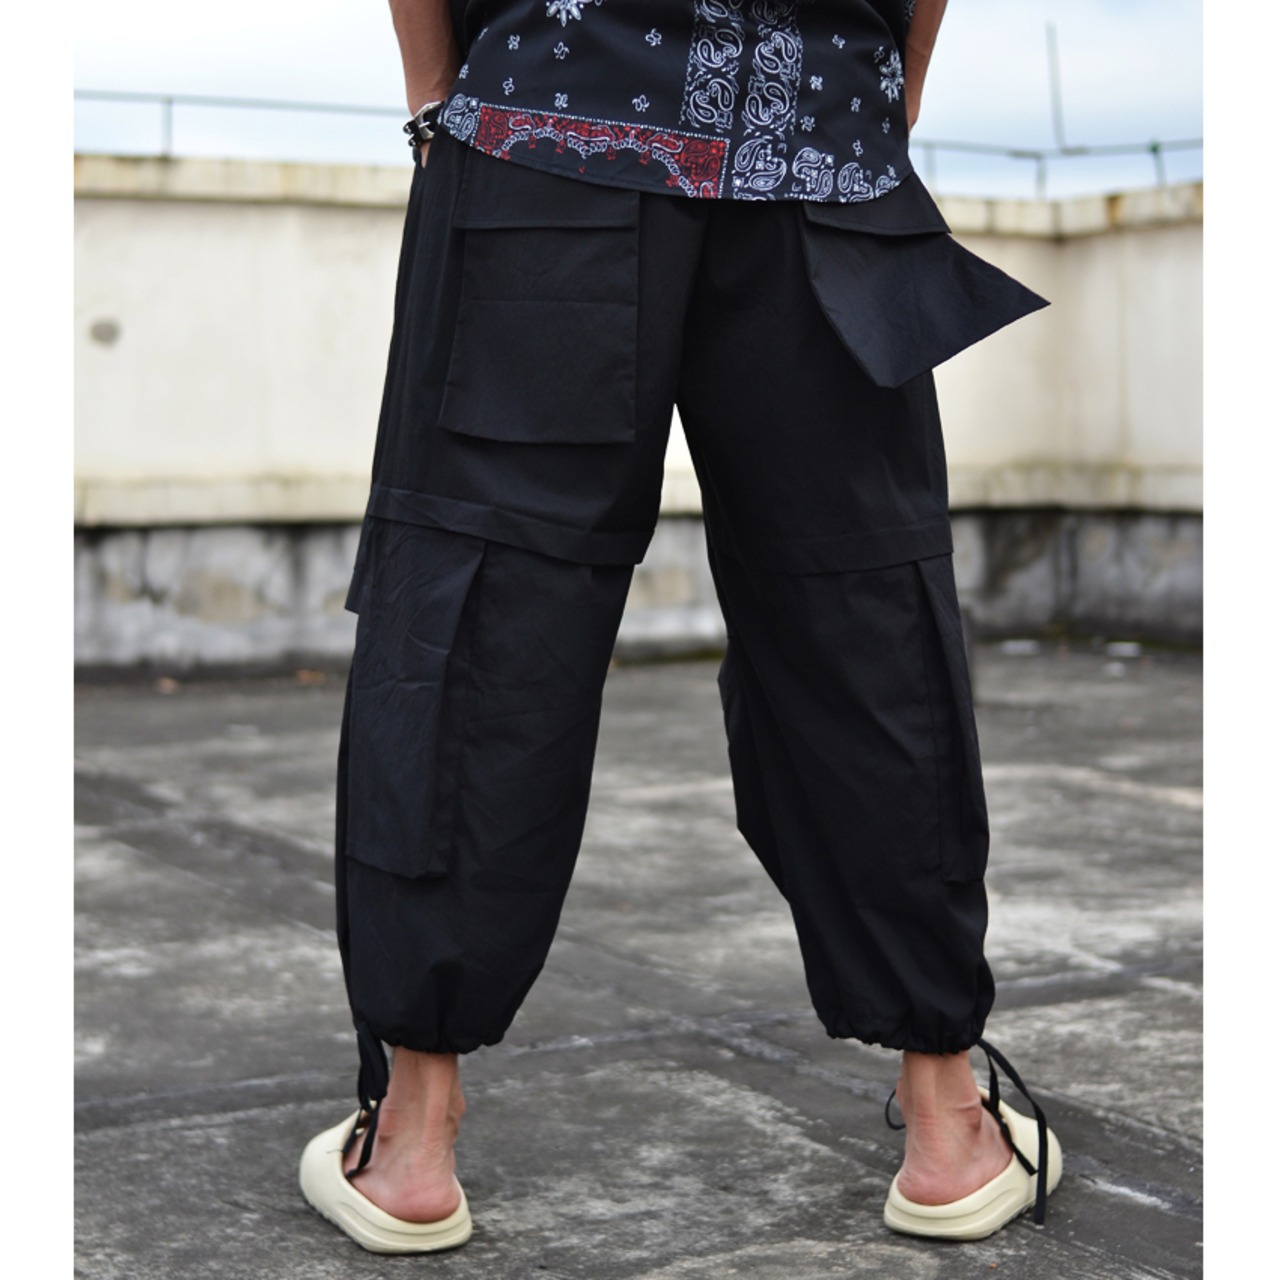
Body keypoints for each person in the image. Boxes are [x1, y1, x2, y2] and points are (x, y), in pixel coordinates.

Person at [299, 0, 1062, 1254]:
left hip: (550, 134)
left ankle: (413, 1145)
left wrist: (437, 100)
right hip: (818, 139)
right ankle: (947, 1125)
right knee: (858, 618)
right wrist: (882, 93)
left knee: (486, 606)